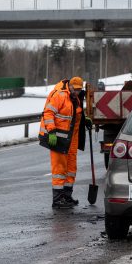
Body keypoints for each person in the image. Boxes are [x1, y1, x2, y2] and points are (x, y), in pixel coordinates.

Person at [39, 76, 92, 209]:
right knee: (59, 169)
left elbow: (76, 115)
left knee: (71, 169)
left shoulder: (76, 98)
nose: (77, 92)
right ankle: (57, 200)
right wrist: (51, 131)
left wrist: (85, 121)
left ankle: (67, 197)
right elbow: (48, 113)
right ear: (71, 87)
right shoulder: (60, 96)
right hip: (58, 138)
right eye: (76, 89)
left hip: (72, 139)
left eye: (80, 90)